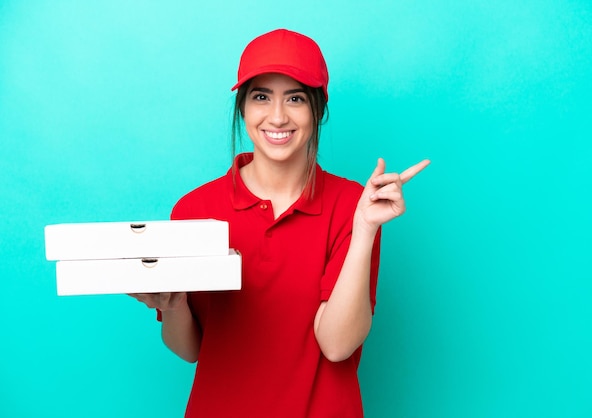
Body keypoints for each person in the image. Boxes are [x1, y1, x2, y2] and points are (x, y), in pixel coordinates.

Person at [130, 28, 430, 417]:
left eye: (295, 98)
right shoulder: (194, 208)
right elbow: (189, 349)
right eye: (261, 97)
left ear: (317, 111)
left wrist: (365, 230)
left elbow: (337, 345)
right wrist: (172, 306)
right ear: (242, 107)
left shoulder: (352, 206)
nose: (277, 116)